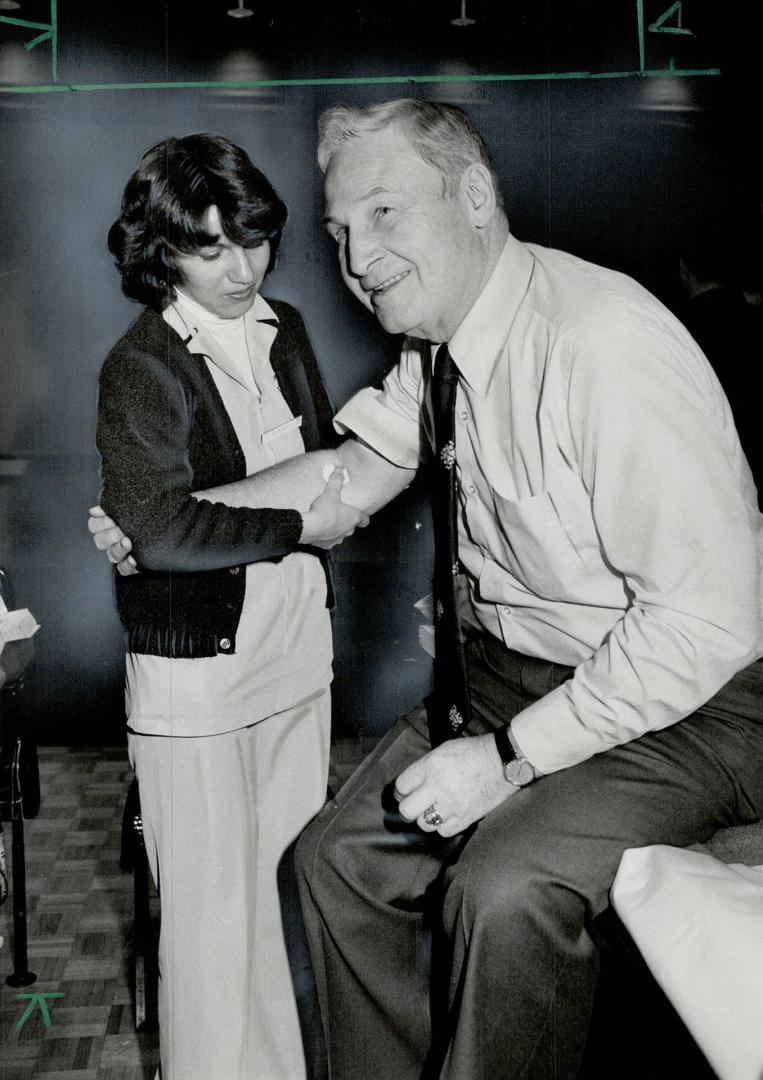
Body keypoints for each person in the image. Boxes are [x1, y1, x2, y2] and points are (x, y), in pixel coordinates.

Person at [94, 99, 763, 1080]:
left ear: (475, 195)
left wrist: (506, 760)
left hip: (682, 709)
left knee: (500, 889)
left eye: (384, 214)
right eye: (337, 231)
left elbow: (704, 625)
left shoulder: (603, 346)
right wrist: (164, 514)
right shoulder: (439, 348)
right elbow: (342, 482)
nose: (357, 257)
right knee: (332, 868)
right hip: (509, 681)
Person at [93, 133, 368, 1080]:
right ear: (162, 250)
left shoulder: (283, 330)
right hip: (197, 686)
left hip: (295, 660)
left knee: (279, 917)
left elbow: (332, 466)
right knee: (212, 942)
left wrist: (267, 510)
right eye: (209, 248)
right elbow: (162, 531)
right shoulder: (142, 366)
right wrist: (297, 522)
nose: (240, 267)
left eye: (251, 240)